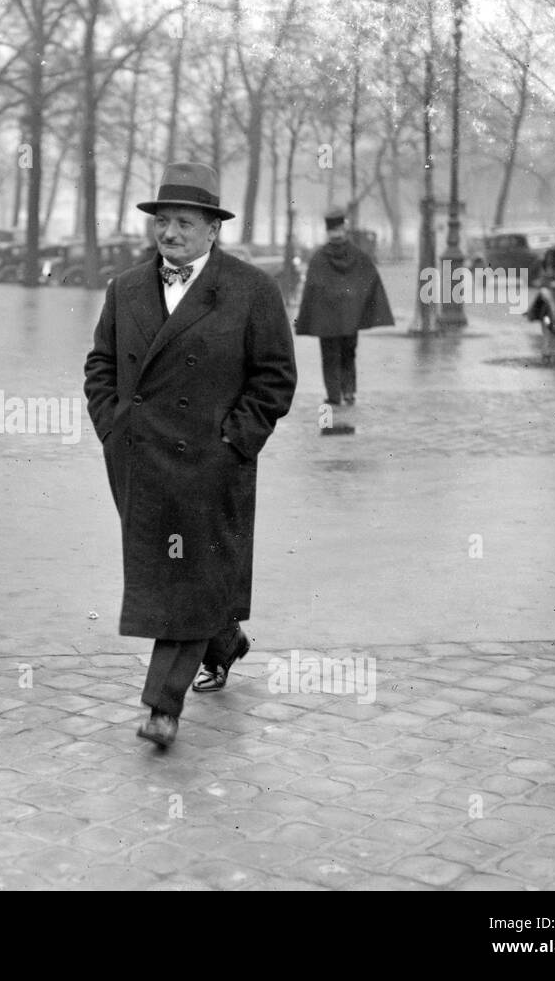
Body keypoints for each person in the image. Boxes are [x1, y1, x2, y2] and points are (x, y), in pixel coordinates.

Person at [84, 161, 297, 749]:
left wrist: (235, 441)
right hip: (139, 461)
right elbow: (101, 363)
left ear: (212, 230)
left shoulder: (251, 290)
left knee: (184, 576)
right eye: (162, 222)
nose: (170, 234)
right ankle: (224, 641)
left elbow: (275, 378)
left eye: (183, 222)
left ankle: (161, 708)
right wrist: (113, 426)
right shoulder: (124, 288)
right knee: (186, 574)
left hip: (211, 463)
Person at [294, 209, 394, 406]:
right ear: (344, 229)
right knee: (349, 354)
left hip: (327, 320)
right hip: (350, 317)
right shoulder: (358, 255)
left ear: (328, 231)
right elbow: (370, 278)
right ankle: (348, 392)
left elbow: (312, 287)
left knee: (330, 357)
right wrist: (355, 300)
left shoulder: (319, 258)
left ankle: (334, 395)